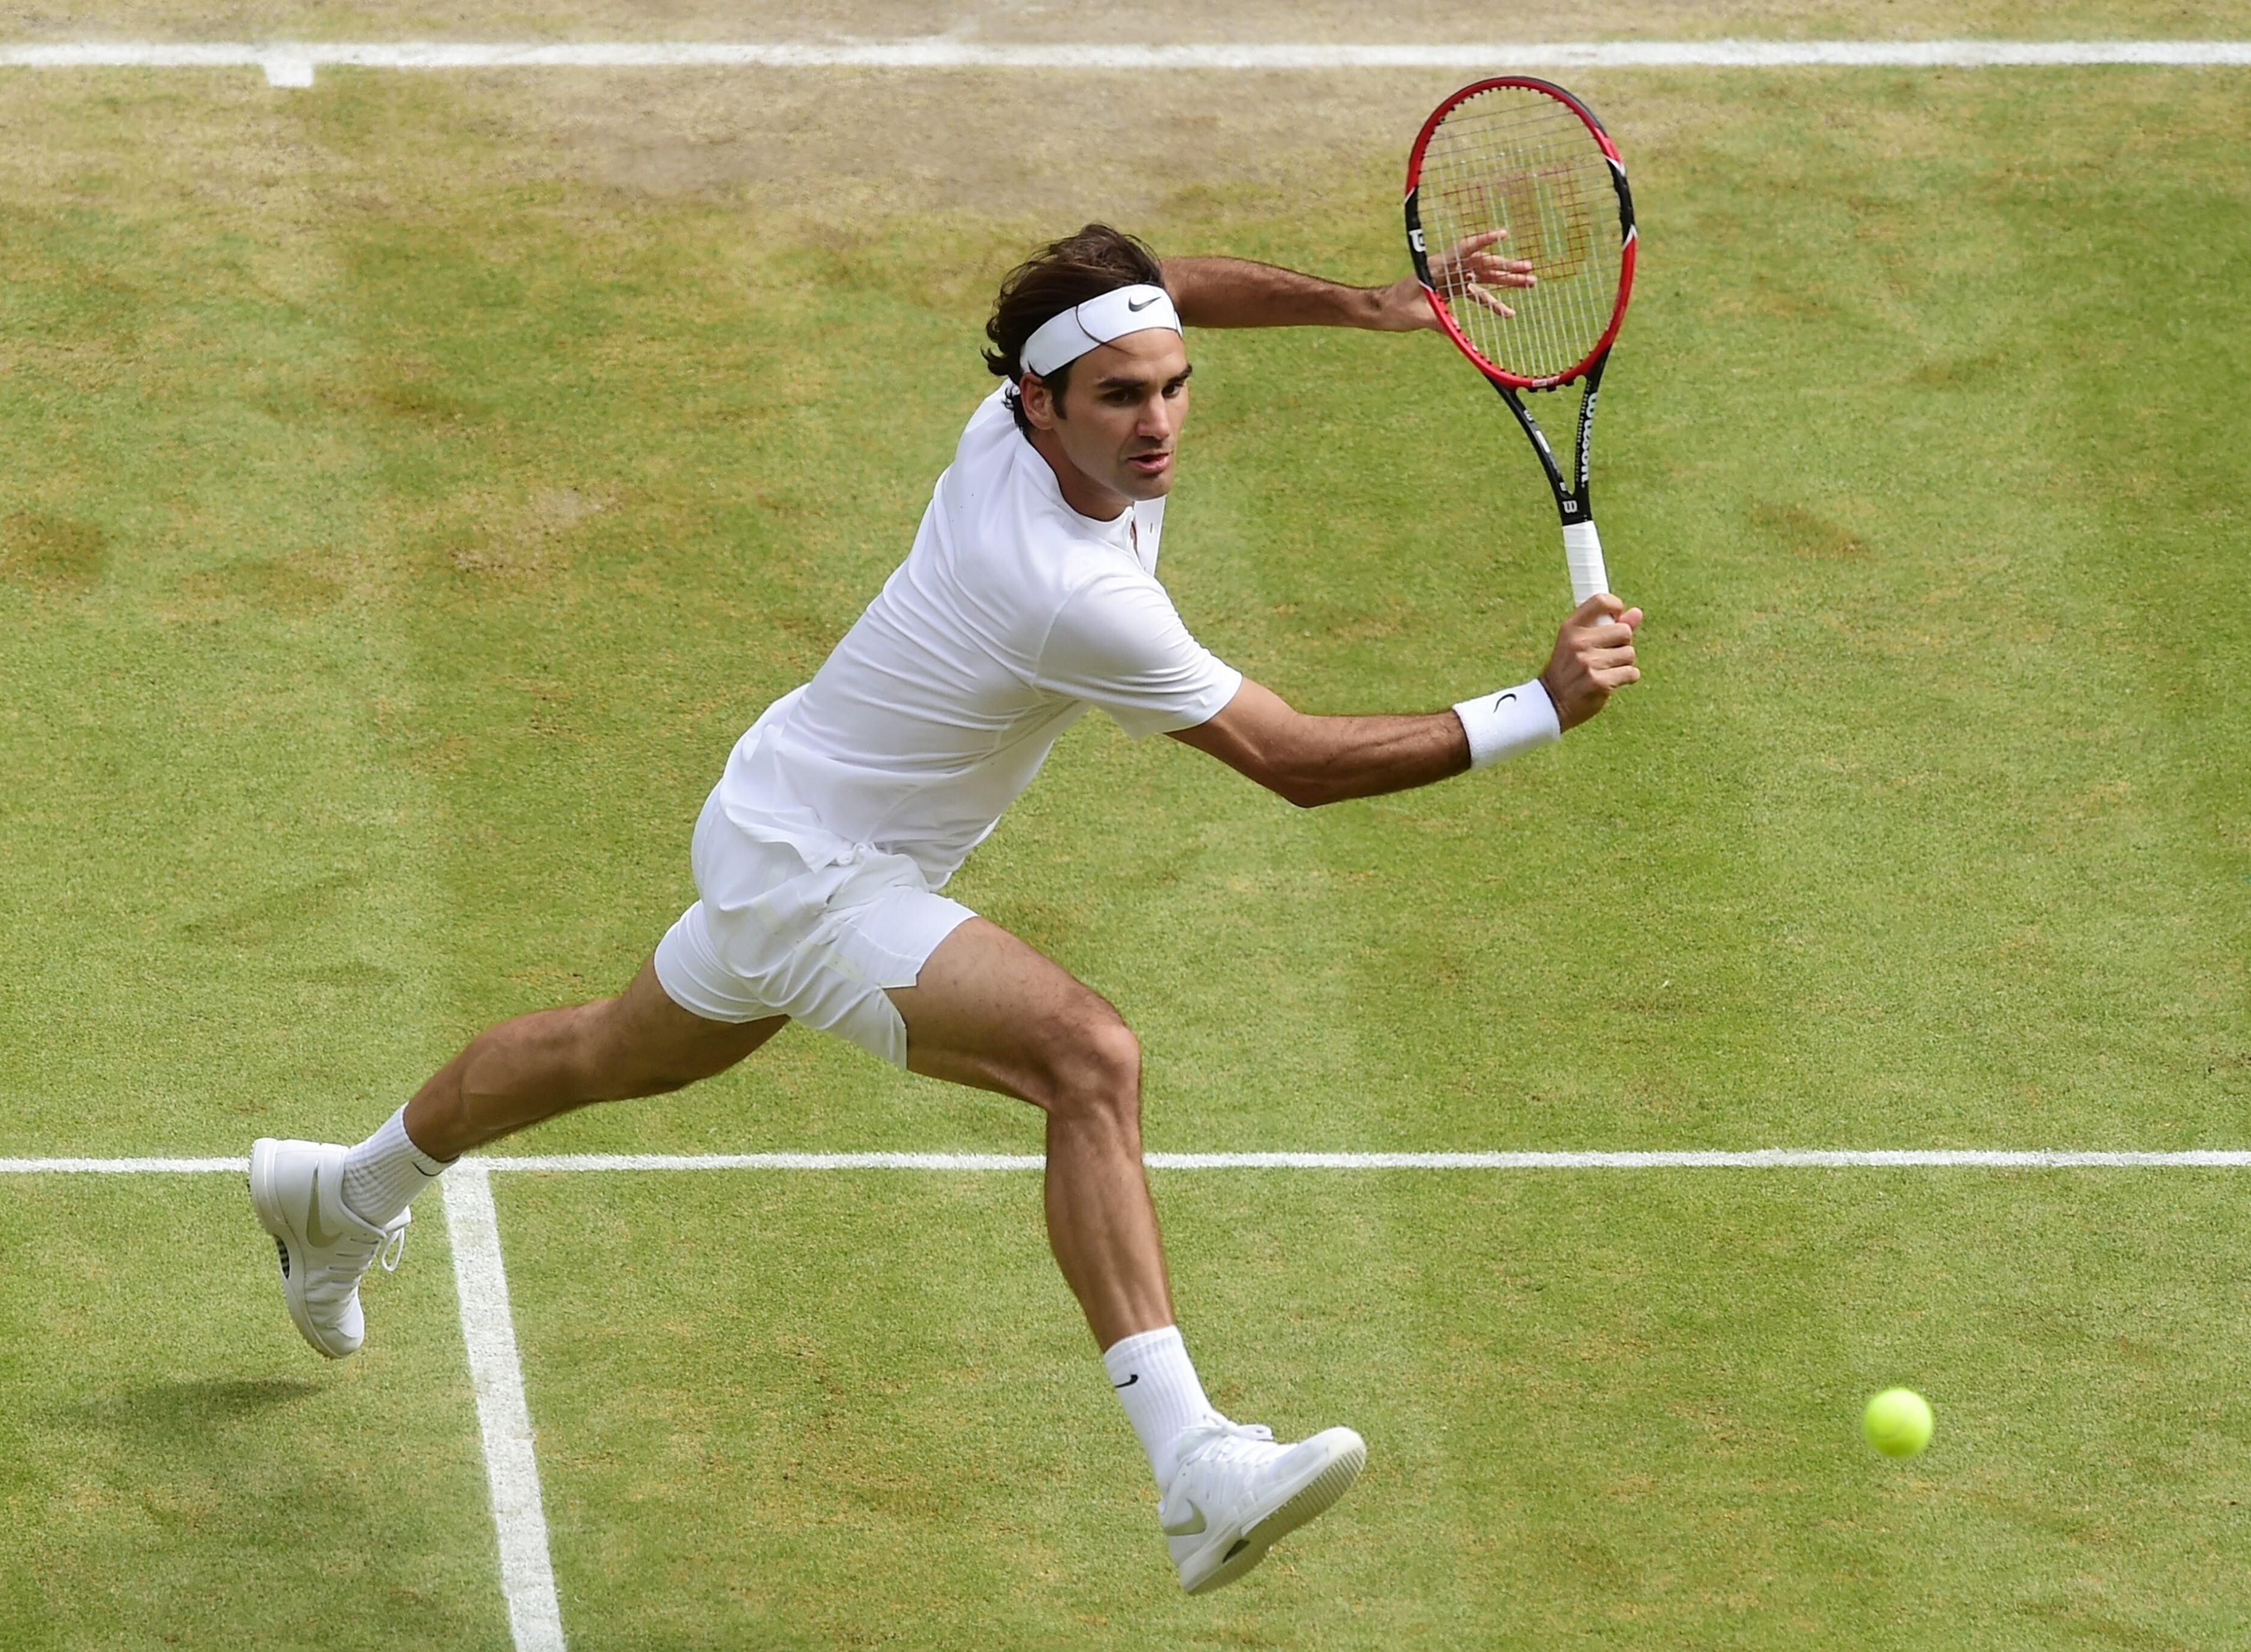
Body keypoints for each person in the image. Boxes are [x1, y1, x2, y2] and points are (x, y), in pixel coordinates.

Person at [248, 223, 1642, 1595]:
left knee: (613, 1052)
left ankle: (344, 1191)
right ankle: (1194, 1464)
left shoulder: (1020, 418)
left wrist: (1364, 306)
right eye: (1120, 397)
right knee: (1087, 1059)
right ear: (1040, 403)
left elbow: (1157, 290)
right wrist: (1541, 706)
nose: (1157, 422)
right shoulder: (1070, 593)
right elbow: (1295, 762)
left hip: (778, 811)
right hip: (817, 873)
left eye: (1172, 385)